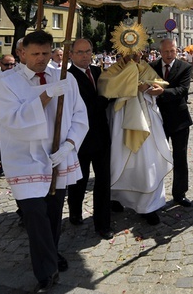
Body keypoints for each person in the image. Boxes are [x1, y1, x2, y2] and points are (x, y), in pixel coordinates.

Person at [0, 30, 86, 292]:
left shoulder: (65, 78)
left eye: (46, 53)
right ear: (22, 53)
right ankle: (46, 272)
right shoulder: (8, 82)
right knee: (35, 215)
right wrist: (45, 96)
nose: (41, 59)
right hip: (25, 159)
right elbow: (10, 119)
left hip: (58, 157)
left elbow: (80, 115)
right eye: (35, 53)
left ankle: (52, 254)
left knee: (54, 213)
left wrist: (69, 145)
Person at [99, 48, 172, 226]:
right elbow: (106, 86)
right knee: (120, 160)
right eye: (129, 52)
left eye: (137, 51)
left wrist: (149, 87)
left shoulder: (145, 67)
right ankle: (117, 197)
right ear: (122, 51)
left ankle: (149, 205)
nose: (134, 55)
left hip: (147, 121)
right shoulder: (115, 69)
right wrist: (131, 81)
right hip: (122, 121)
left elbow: (160, 83)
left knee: (148, 162)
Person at [67, 39, 113, 238]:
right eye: (80, 52)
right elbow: (86, 107)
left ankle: (102, 224)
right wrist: (106, 99)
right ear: (71, 54)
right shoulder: (68, 77)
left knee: (103, 181)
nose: (85, 55)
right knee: (79, 180)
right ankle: (75, 212)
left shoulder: (97, 71)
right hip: (81, 139)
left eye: (88, 51)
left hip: (102, 135)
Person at [150, 38, 193, 208]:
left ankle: (180, 193)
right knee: (155, 158)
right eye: (166, 51)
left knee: (180, 157)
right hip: (157, 120)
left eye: (172, 51)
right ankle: (153, 195)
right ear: (160, 51)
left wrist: (162, 92)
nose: (169, 54)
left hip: (179, 120)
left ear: (177, 50)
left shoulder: (184, 67)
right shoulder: (151, 67)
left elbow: (182, 90)